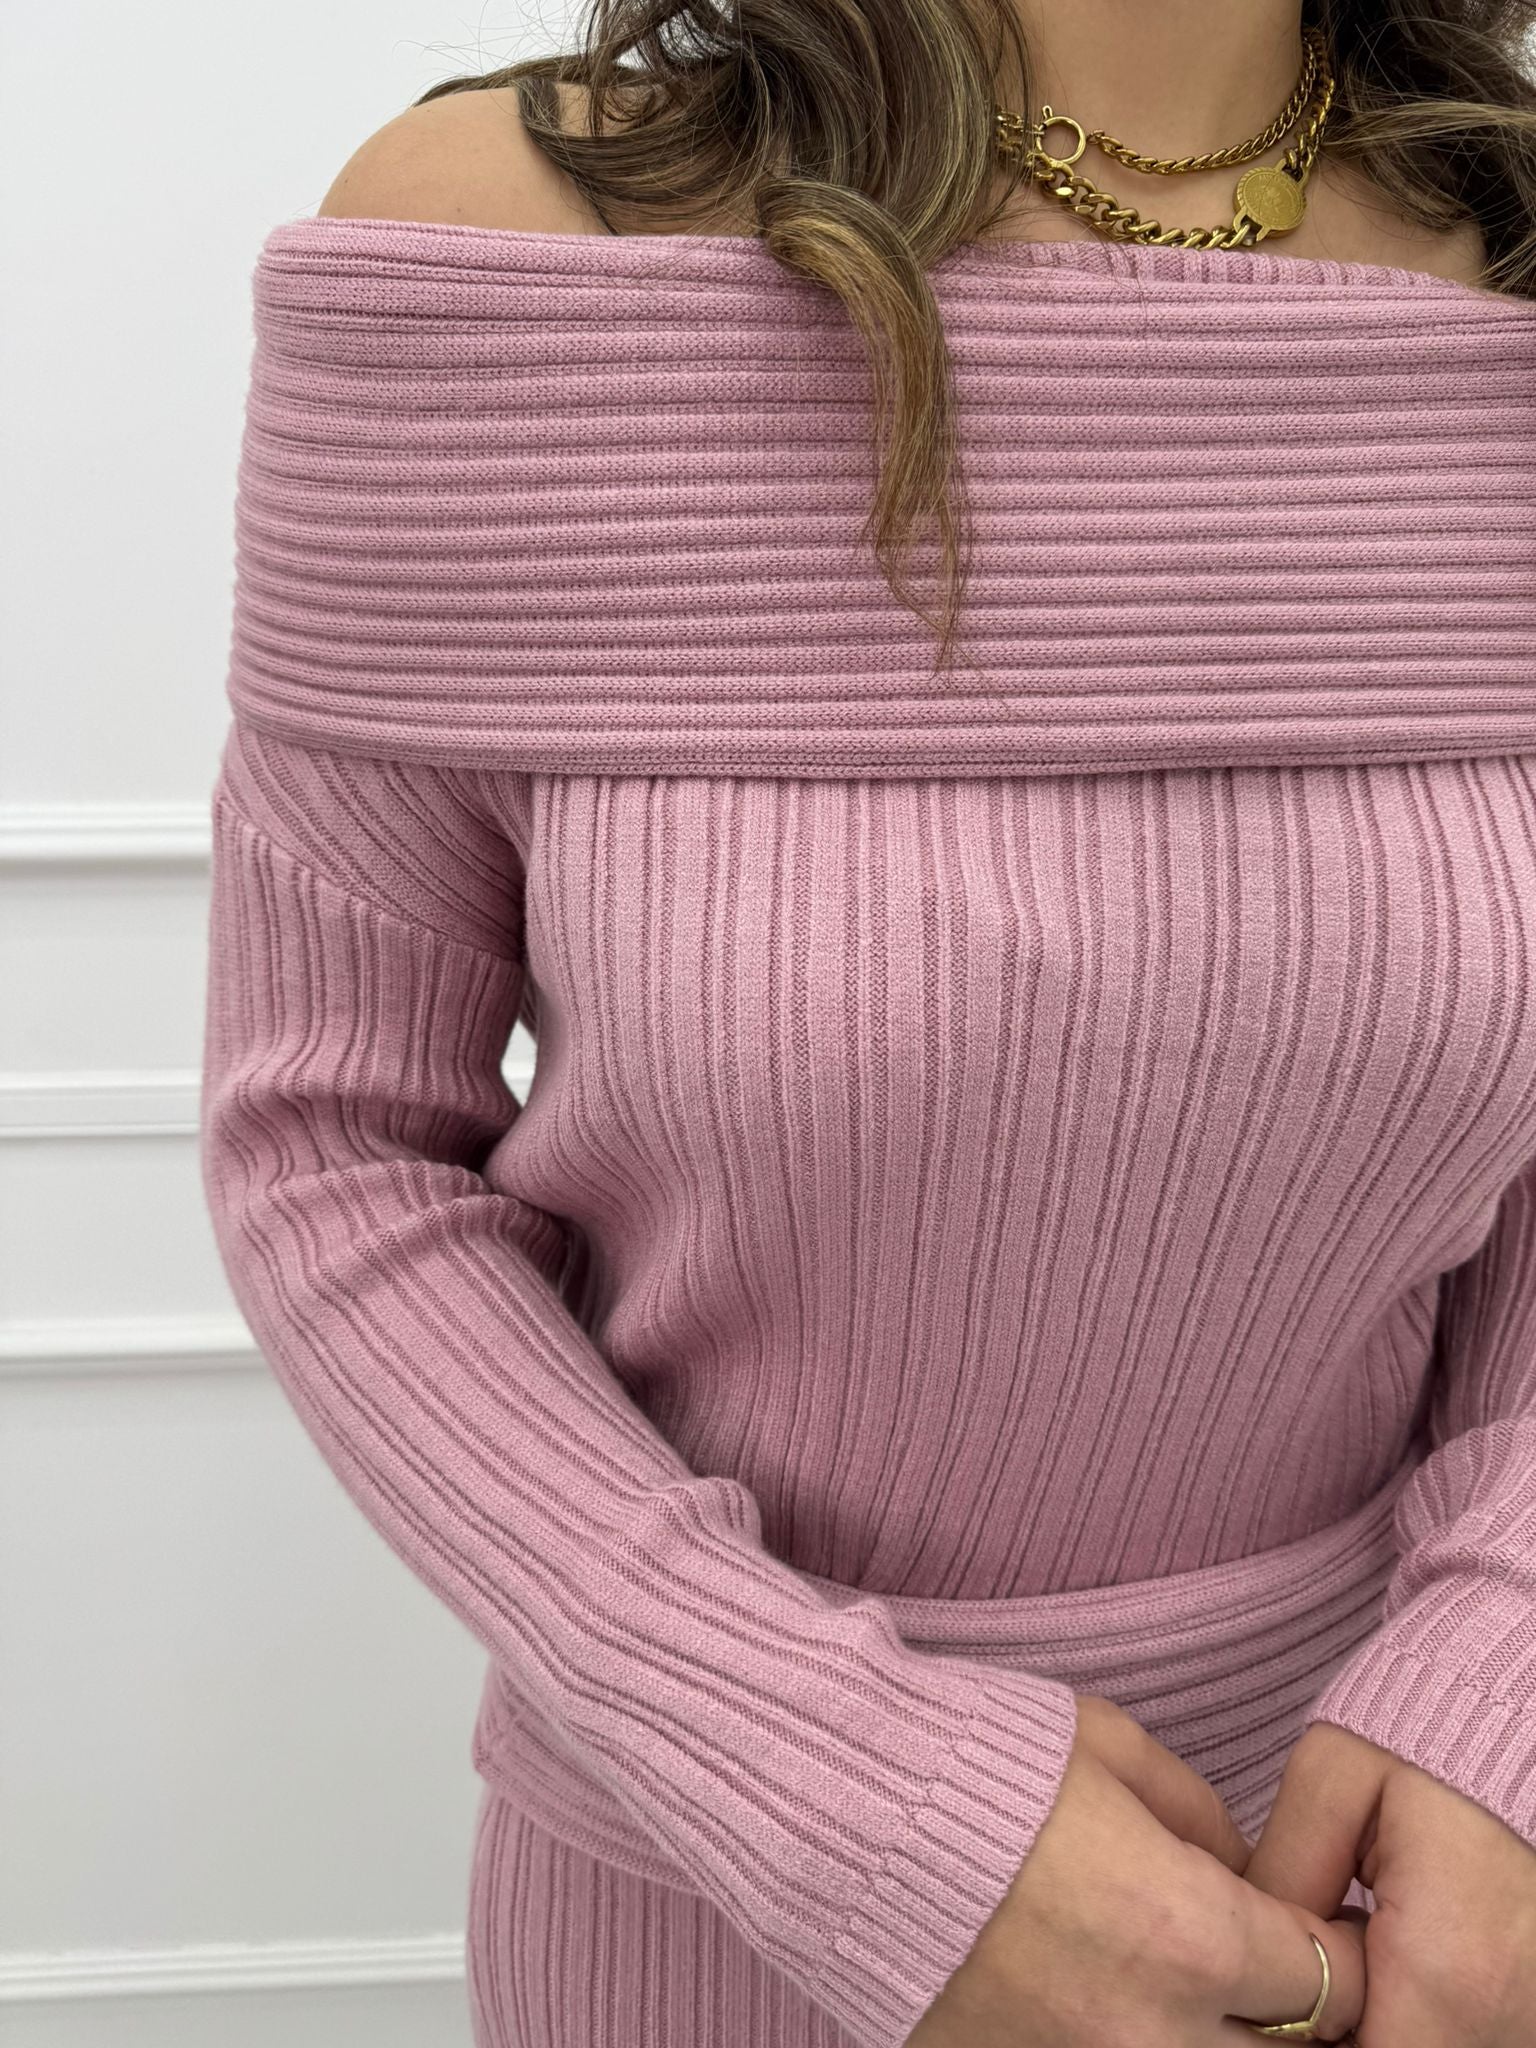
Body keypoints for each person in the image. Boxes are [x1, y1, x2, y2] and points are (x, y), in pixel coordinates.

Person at [199, 2, 1536, 2043]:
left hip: (1406, 1898)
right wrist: (837, 1794)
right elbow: (332, 1139)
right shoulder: (502, 244)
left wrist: (1505, 1669)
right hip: (705, 1896)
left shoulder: (1505, 258)